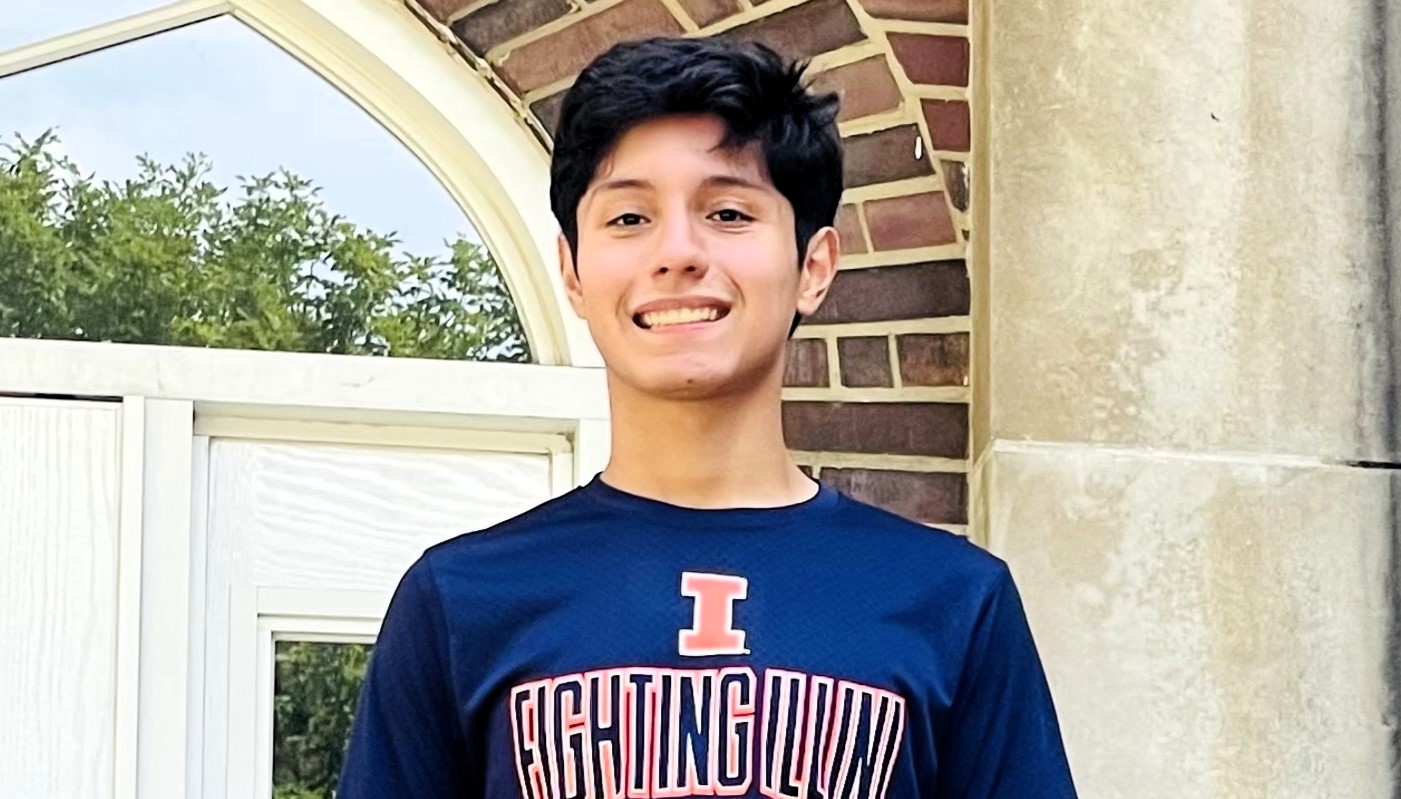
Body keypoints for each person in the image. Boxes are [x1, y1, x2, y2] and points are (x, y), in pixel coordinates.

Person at [338, 36, 1076, 798]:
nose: (677, 252)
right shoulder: (459, 599)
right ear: (572, 272)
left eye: (727, 211)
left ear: (813, 268)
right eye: (629, 218)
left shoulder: (954, 600)